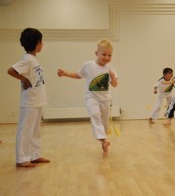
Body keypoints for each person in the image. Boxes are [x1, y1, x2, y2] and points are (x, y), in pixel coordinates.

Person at [57, 39, 118, 154]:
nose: (106, 57)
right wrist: (65, 73)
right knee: (94, 114)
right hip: (91, 97)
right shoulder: (89, 65)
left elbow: (114, 85)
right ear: (96, 53)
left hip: (105, 99)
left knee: (105, 123)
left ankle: (103, 141)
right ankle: (104, 139)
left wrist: (114, 78)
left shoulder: (110, 69)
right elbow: (78, 75)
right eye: (103, 54)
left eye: (109, 55)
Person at [7, 28, 50, 168]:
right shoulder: (27, 60)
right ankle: (22, 159)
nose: (42, 44)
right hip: (29, 102)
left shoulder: (33, 60)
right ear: (37, 43)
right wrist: (24, 79)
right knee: (25, 130)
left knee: (35, 130)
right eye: (41, 41)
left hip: (37, 101)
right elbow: (11, 70)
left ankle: (35, 155)